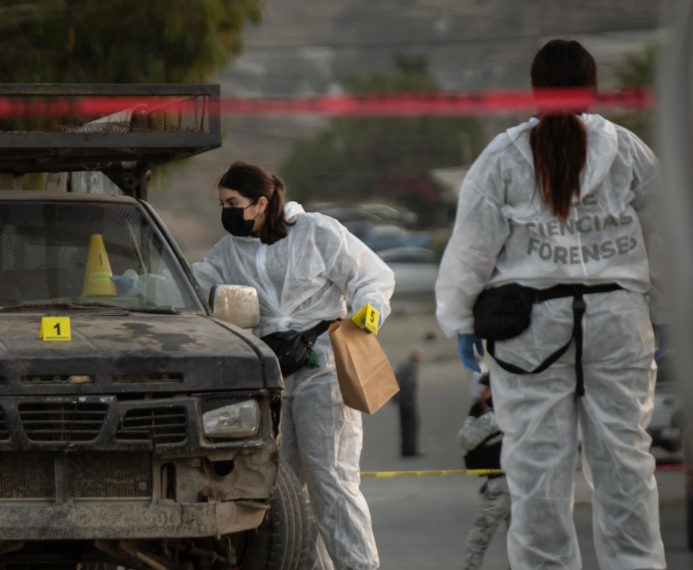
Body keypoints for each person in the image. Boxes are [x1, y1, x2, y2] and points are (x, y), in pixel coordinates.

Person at [435, 39, 665, 569]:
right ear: (592, 86)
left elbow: (472, 247)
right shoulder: (628, 151)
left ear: (536, 88)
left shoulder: (505, 156)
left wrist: (460, 317)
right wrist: (671, 313)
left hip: (530, 329)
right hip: (618, 322)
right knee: (626, 468)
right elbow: (666, 243)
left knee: (537, 475)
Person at [193, 161, 395, 570]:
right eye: (222, 203)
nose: (227, 211)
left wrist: (363, 326)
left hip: (325, 372)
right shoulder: (229, 251)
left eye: (233, 202)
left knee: (333, 483)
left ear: (261, 203)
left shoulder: (317, 232)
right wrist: (140, 284)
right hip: (273, 380)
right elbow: (191, 283)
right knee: (282, 493)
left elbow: (372, 278)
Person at [459, 373, 509, 570]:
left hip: (501, 486)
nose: (482, 394)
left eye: (486, 389)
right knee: (519, 536)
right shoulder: (518, 411)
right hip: (524, 483)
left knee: (477, 541)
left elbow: (466, 440)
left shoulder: (492, 417)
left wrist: (472, 416)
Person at [392, 350, 421, 457]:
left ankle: (405, 450)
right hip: (407, 401)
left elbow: (395, 378)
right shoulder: (411, 367)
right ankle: (411, 450)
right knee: (411, 425)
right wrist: (409, 400)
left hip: (401, 400)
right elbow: (409, 384)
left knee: (404, 426)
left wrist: (394, 398)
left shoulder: (402, 366)